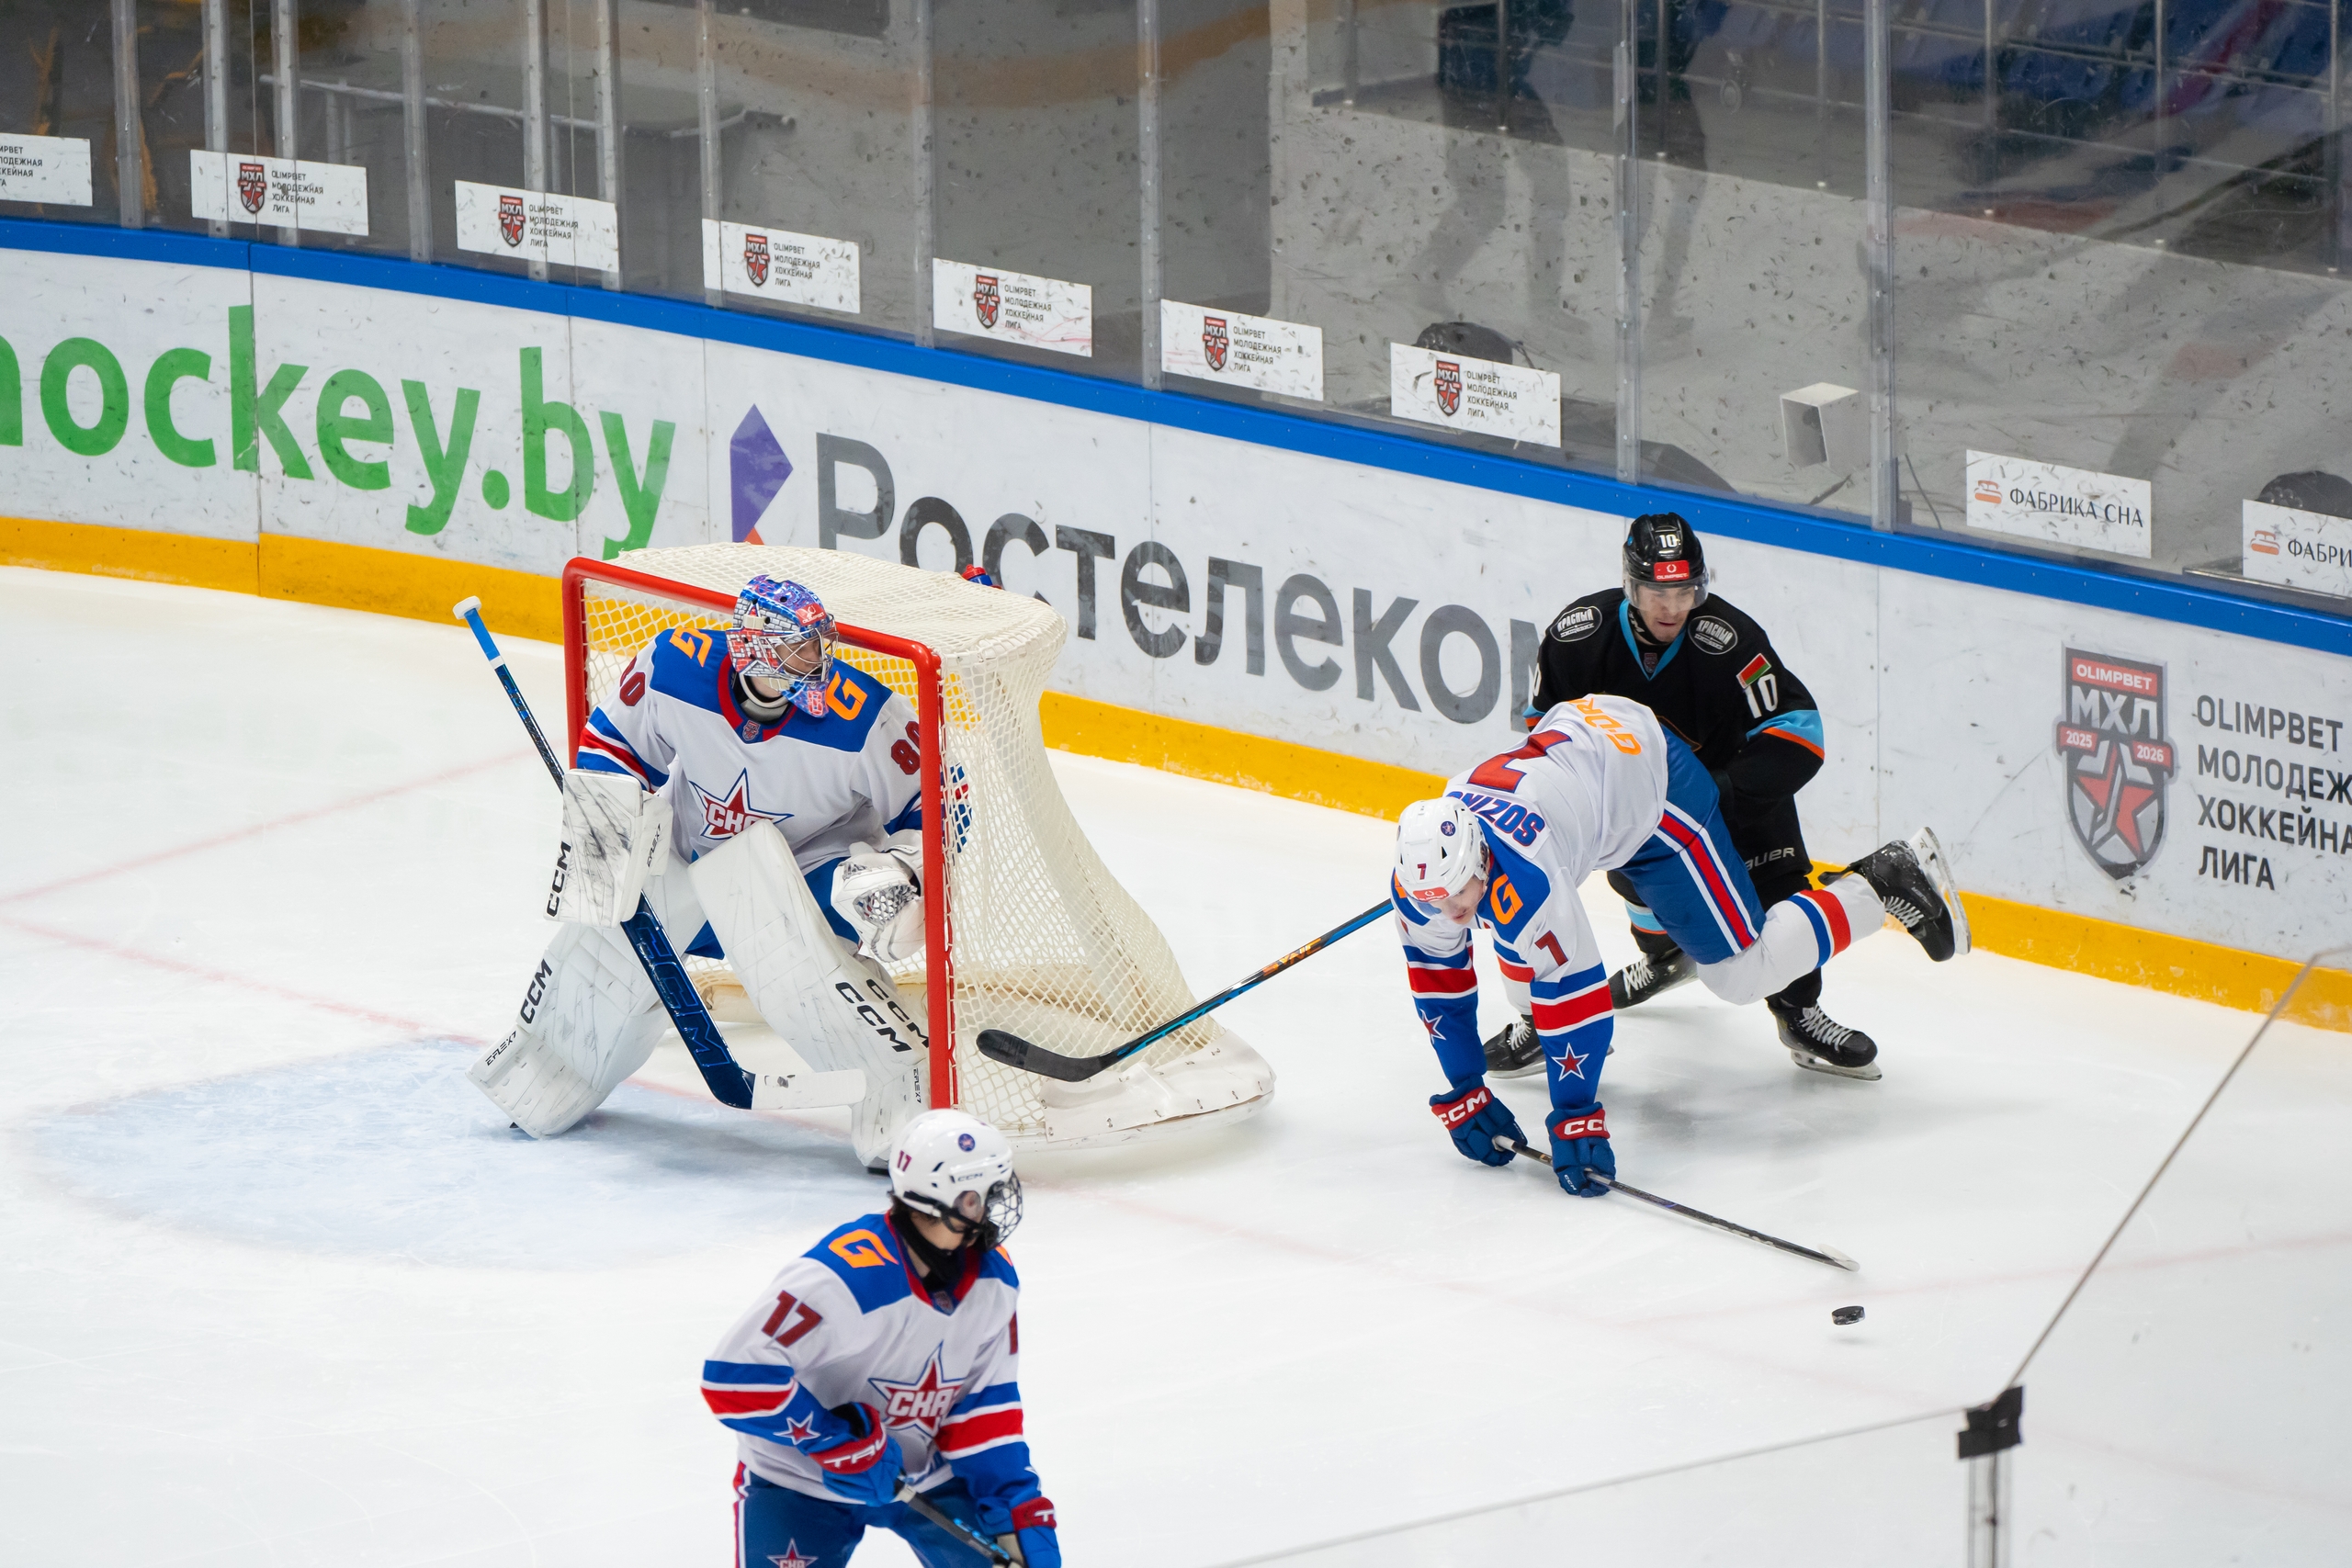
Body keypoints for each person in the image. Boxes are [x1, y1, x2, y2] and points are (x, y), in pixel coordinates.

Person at [1392, 690, 1968, 1195]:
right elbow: (1439, 984)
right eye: (1432, 899)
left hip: (1652, 785)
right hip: (1585, 750)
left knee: (1740, 973)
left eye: (1456, 894)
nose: (1447, 912)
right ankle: (1677, 940)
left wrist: (1576, 1115)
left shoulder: (1528, 877)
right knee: (1522, 964)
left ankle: (1883, 881)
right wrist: (1463, 1089)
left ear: (1481, 858)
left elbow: (1576, 997)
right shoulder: (1427, 880)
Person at [468, 574, 933, 1168]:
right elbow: (612, 745)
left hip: (806, 875)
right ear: (755, 648)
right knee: (606, 953)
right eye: (800, 648)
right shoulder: (675, 666)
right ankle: (548, 1069)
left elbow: (941, 801)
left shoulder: (866, 716)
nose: (819, 661)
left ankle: (904, 1106)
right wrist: (608, 829)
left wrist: (904, 870)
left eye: (819, 645)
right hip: (690, 856)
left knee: (807, 971)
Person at [1490, 513, 1876, 1078]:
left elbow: (1799, 733)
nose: (1673, 607)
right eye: (1657, 592)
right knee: (1625, 879)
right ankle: (1665, 958)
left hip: (1736, 798)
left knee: (1776, 896)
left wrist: (1720, 794)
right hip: (1643, 810)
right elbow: (1545, 732)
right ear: (1630, 586)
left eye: (1685, 591)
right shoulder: (1579, 638)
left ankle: (1799, 1012)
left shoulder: (1730, 641)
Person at [701, 1109, 1059, 1568]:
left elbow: (984, 1409)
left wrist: (1016, 1507)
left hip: (929, 1475)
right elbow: (733, 1378)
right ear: (953, 1199)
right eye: (983, 1196)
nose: (992, 1208)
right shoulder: (841, 1279)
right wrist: (832, 1442)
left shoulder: (994, 1280)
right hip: (799, 1480)